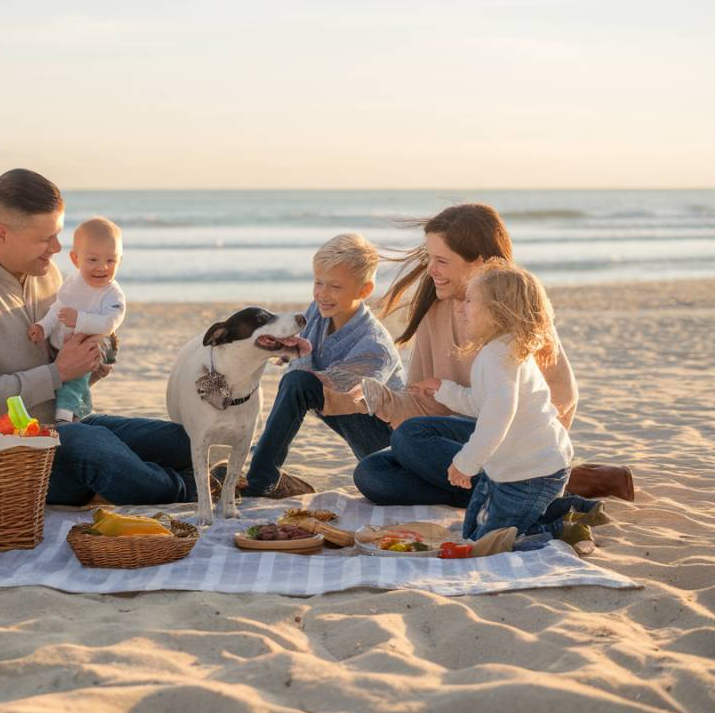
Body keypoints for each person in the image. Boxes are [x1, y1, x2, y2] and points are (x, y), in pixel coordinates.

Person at [0, 168, 197, 506]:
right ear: (1, 233)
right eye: (45, 238)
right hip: (4, 456)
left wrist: (88, 366)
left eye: (59, 234)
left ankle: (174, 476)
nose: (57, 247)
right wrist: (57, 372)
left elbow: (59, 364)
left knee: (184, 438)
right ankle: (192, 488)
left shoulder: (47, 274)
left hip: (65, 423)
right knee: (86, 445)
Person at [325, 203, 582, 508]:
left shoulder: (517, 311)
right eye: (430, 258)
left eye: (442, 261)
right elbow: (424, 404)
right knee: (372, 474)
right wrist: (379, 398)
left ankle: (518, 492)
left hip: (515, 446)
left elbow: (562, 398)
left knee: (408, 438)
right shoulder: (434, 309)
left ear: (481, 264)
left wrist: (521, 462)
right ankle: (494, 495)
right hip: (456, 446)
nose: (431, 270)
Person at [362, 261, 601, 545]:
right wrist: (444, 390)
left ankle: (563, 528)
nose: (460, 308)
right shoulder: (498, 350)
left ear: (499, 312)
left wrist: (466, 462)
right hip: (513, 468)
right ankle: (568, 508)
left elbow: (498, 414)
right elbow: (481, 404)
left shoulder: (498, 358)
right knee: (470, 533)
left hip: (530, 473)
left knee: (490, 541)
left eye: (470, 301)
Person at [240, 233, 405, 498]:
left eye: (335, 287)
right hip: (342, 410)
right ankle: (265, 475)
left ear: (364, 291)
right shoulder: (318, 311)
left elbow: (327, 391)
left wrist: (300, 355)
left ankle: (259, 483)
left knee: (299, 383)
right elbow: (296, 368)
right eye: (318, 283)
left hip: (389, 444)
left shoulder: (375, 348)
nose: (322, 294)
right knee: (295, 382)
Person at [29, 216, 126, 423]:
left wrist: (80, 320)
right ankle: (82, 410)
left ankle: (65, 417)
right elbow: (58, 309)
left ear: (120, 261)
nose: (102, 267)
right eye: (93, 260)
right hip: (64, 345)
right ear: (75, 259)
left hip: (94, 343)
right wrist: (43, 328)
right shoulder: (72, 283)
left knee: (73, 381)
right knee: (71, 379)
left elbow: (110, 323)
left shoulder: (112, 294)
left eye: (111, 260)